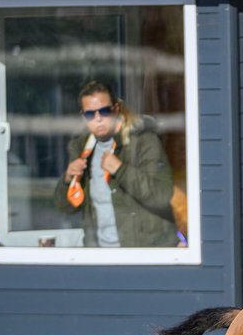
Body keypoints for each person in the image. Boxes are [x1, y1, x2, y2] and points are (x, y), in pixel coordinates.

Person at [56, 80, 177, 247]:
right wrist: (67, 180)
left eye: (104, 111)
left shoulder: (143, 141)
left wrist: (121, 170)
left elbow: (161, 196)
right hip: (101, 255)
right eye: (90, 114)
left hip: (144, 252)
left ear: (116, 109)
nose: (98, 119)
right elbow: (67, 208)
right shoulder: (82, 148)